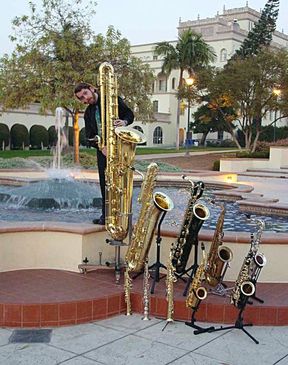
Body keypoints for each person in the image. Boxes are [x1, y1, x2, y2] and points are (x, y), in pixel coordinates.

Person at [74, 82, 134, 225]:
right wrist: (101, 147)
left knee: (121, 182)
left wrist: (124, 122)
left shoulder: (112, 100)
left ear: (91, 89)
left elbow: (129, 114)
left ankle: (124, 215)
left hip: (120, 147)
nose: (85, 99)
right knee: (105, 183)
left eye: (85, 94)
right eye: (81, 98)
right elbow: (89, 136)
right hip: (103, 152)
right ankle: (106, 215)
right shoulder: (88, 113)